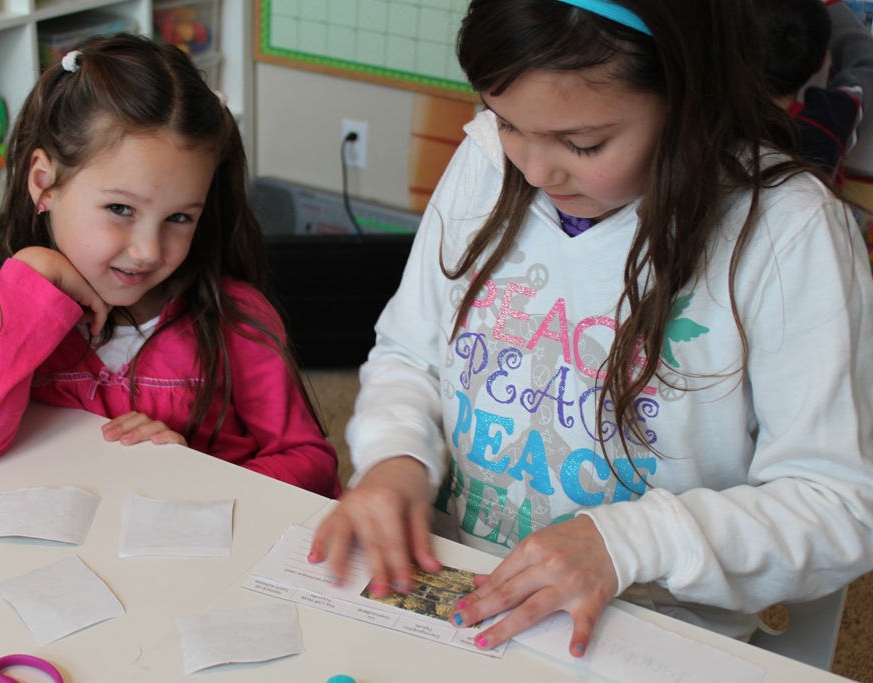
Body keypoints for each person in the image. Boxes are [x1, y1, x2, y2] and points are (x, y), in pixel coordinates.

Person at [309, 0, 873, 658]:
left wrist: (626, 541)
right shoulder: (488, 160)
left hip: (648, 634)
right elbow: (410, 352)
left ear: (689, 98)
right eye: (507, 121)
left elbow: (839, 504)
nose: (536, 170)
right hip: (459, 582)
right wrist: (396, 455)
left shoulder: (787, 234)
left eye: (583, 144)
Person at [0, 34, 340, 498]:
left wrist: (195, 480)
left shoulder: (236, 317)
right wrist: (33, 276)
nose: (148, 251)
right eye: (120, 209)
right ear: (44, 182)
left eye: (179, 218)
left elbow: (311, 463)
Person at [759, 0, 873, 179]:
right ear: (822, 62)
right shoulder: (826, 124)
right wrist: (829, 3)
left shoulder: (720, 112)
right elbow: (866, 62)